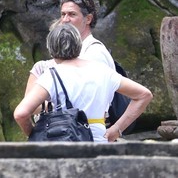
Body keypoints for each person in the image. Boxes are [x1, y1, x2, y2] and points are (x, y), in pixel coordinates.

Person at [13, 23, 152, 142]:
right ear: (79, 45)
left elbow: (21, 113)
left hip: (63, 141)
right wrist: (117, 129)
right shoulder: (103, 71)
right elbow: (144, 95)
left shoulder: (51, 75)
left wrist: (33, 133)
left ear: (51, 49)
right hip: (98, 139)